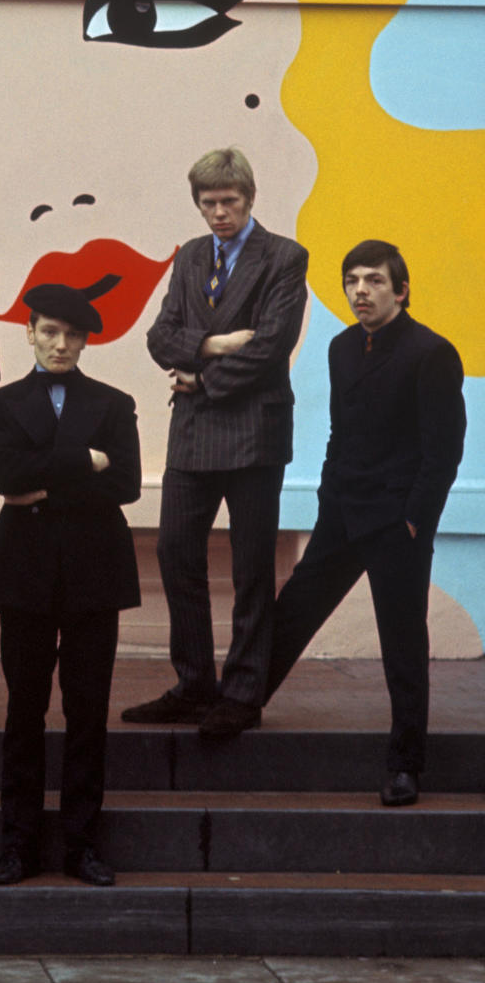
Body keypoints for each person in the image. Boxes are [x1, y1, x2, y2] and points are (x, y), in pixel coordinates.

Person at [265, 240, 466, 807]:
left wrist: (415, 522)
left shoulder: (431, 352)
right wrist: (330, 494)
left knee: (402, 643)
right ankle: (241, 704)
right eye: (353, 280)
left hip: (396, 522)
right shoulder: (341, 347)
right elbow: (340, 431)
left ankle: (406, 766)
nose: (360, 291)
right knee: (293, 609)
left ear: (400, 290)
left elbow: (443, 450)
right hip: (344, 511)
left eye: (374, 280)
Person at [123, 148, 308, 739]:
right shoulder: (191, 256)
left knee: (252, 567)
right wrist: (215, 344)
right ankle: (194, 683)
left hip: (255, 434)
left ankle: (244, 691)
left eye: (229, 201)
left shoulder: (284, 257)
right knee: (176, 553)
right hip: (194, 435)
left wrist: (203, 376)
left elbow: (273, 344)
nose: (219, 213)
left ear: (249, 198)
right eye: (209, 203)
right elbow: (159, 337)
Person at [0, 283, 141, 887]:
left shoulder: (114, 402)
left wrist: (53, 473)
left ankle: (82, 844)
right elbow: (8, 476)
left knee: (88, 711)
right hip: (23, 570)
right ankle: (16, 842)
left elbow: (125, 484)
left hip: (95, 571)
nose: (62, 344)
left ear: (86, 341)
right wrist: (87, 460)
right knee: (24, 709)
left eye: (73, 335)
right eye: (50, 331)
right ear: (29, 332)